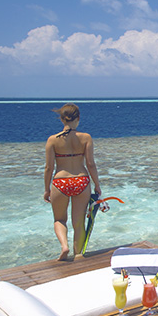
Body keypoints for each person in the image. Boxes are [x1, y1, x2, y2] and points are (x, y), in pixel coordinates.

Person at [43, 103, 101, 260]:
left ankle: (64, 246)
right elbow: (91, 164)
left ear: (62, 119)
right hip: (81, 181)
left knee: (60, 219)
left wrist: (47, 189)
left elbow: (49, 168)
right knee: (79, 221)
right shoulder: (86, 138)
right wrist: (97, 184)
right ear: (78, 118)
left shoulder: (52, 140)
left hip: (60, 182)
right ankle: (78, 255)